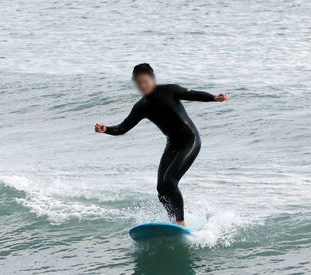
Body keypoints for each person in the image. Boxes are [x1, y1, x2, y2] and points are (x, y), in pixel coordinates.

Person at [95, 63, 229, 226]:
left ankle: (180, 222)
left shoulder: (169, 90)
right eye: (138, 83)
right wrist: (106, 129)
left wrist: (214, 97)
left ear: (152, 79)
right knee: (161, 189)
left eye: (145, 81)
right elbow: (123, 127)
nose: (142, 85)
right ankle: (173, 221)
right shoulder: (141, 106)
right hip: (172, 144)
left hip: (190, 141)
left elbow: (193, 94)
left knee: (170, 181)